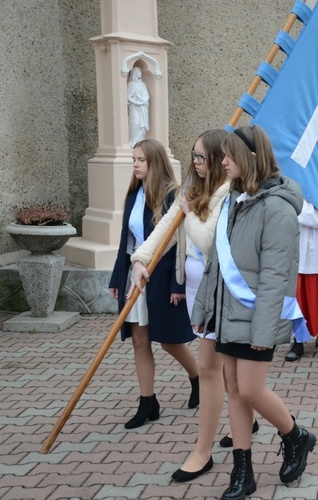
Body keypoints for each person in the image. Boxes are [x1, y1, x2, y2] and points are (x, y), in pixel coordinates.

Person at [191, 125, 316, 498]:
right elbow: (215, 264)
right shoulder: (234, 199)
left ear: (251, 158)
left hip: (256, 316)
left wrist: (264, 334)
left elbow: (278, 277)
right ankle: (242, 471)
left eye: (229, 155)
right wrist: (203, 308)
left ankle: (296, 435)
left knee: (250, 388)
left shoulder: (276, 208)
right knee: (234, 389)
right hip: (227, 315)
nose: (223, 161)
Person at [128, 130, 241, 482]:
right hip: (198, 291)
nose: (196, 164)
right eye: (193, 156)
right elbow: (162, 230)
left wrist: (187, 210)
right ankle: (239, 430)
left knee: (222, 370)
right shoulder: (197, 191)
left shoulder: (227, 195)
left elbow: (206, 239)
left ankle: (207, 448)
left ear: (220, 160)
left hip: (224, 293)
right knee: (224, 370)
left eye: (201, 158)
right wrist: (140, 259)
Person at [108, 139, 198, 430]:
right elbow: (128, 242)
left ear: (155, 162)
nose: (135, 164)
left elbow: (180, 243)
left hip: (162, 278)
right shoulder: (134, 194)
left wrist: (178, 284)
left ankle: (197, 378)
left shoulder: (172, 196)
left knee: (171, 341)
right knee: (139, 339)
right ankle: (148, 401)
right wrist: (116, 277)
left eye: (141, 160)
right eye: (134, 159)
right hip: (135, 277)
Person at [285, 199, 318, 361]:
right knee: (297, 296)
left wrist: (293, 210)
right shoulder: (293, 181)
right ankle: (298, 340)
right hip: (297, 243)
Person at [127, 67, 150, 148]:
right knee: (135, 123)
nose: (141, 73)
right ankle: (133, 140)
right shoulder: (131, 84)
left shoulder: (143, 84)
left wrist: (143, 100)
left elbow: (147, 95)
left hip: (143, 108)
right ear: (135, 73)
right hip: (135, 108)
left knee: (142, 126)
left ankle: (140, 142)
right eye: (139, 72)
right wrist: (136, 102)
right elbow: (128, 96)